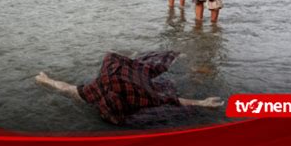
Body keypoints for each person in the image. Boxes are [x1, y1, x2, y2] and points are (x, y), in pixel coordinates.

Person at [35, 51, 224, 125]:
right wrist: (47, 80)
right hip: (115, 76)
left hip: (122, 77)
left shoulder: (127, 93)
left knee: (149, 67)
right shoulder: (98, 91)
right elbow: (66, 88)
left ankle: (44, 80)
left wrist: (201, 103)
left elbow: (169, 99)